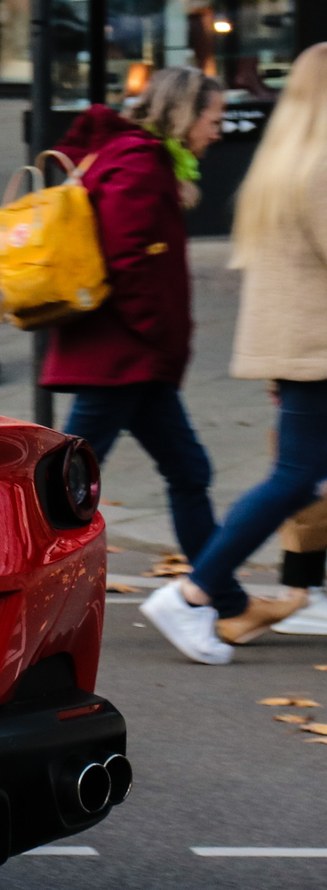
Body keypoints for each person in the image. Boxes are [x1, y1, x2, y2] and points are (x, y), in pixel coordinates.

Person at [144, 44, 327, 662]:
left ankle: (205, 594)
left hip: (297, 347)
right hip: (317, 348)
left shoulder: (283, 163)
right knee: (295, 479)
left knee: (298, 478)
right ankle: (195, 593)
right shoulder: (322, 166)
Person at [47, 66, 222, 632]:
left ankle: (224, 593)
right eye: (212, 118)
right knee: (63, 485)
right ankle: (7, 573)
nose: (217, 131)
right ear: (185, 115)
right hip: (122, 358)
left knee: (187, 469)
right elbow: (129, 258)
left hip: (133, 360)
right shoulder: (142, 162)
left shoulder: (141, 157)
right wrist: (156, 333)